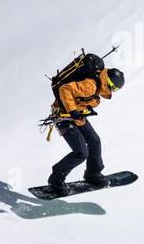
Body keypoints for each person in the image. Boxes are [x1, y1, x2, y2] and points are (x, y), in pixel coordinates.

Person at [48, 67, 126, 196]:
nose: (113, 91)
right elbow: (64, 89)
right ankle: (56, 179)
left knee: (94, 142)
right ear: (108, 82)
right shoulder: (91, 85)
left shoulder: (98, 87)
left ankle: (92, 173)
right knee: (81, 153)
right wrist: (73, 110)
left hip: (77, 117)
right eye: (114, 88)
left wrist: (80, 111)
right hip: (63, 116)